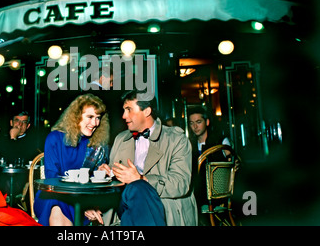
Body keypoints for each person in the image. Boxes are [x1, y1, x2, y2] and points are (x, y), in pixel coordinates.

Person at [93, 89, 197, 226]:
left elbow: (180, 183)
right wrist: (107, 174)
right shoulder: (121, 139)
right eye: (124, 110)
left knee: (138, 189)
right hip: (124, 202)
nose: (124, 116)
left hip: (161, 203)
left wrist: (141, 179)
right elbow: (114, 182)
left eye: (129, 109)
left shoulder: (176, 139)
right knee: (135, 191)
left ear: (147, 111)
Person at [34, 93, 110, 226]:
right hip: (52, 195)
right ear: (76, 117)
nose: (95, 123)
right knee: (56, 205)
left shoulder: (97, 145)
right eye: (90, 117)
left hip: (83, 200)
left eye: (98, 118)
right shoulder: (54, 138)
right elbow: (52, 177)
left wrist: (104, 172)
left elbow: (95, 184)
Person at [187, 106, 234, 223]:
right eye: (192, 123)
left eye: (198, 122)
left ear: (207, 122)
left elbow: (232, 163)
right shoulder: (189, 145)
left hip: (217, 194)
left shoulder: (221, 141)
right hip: (197, 191)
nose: (195, 127)